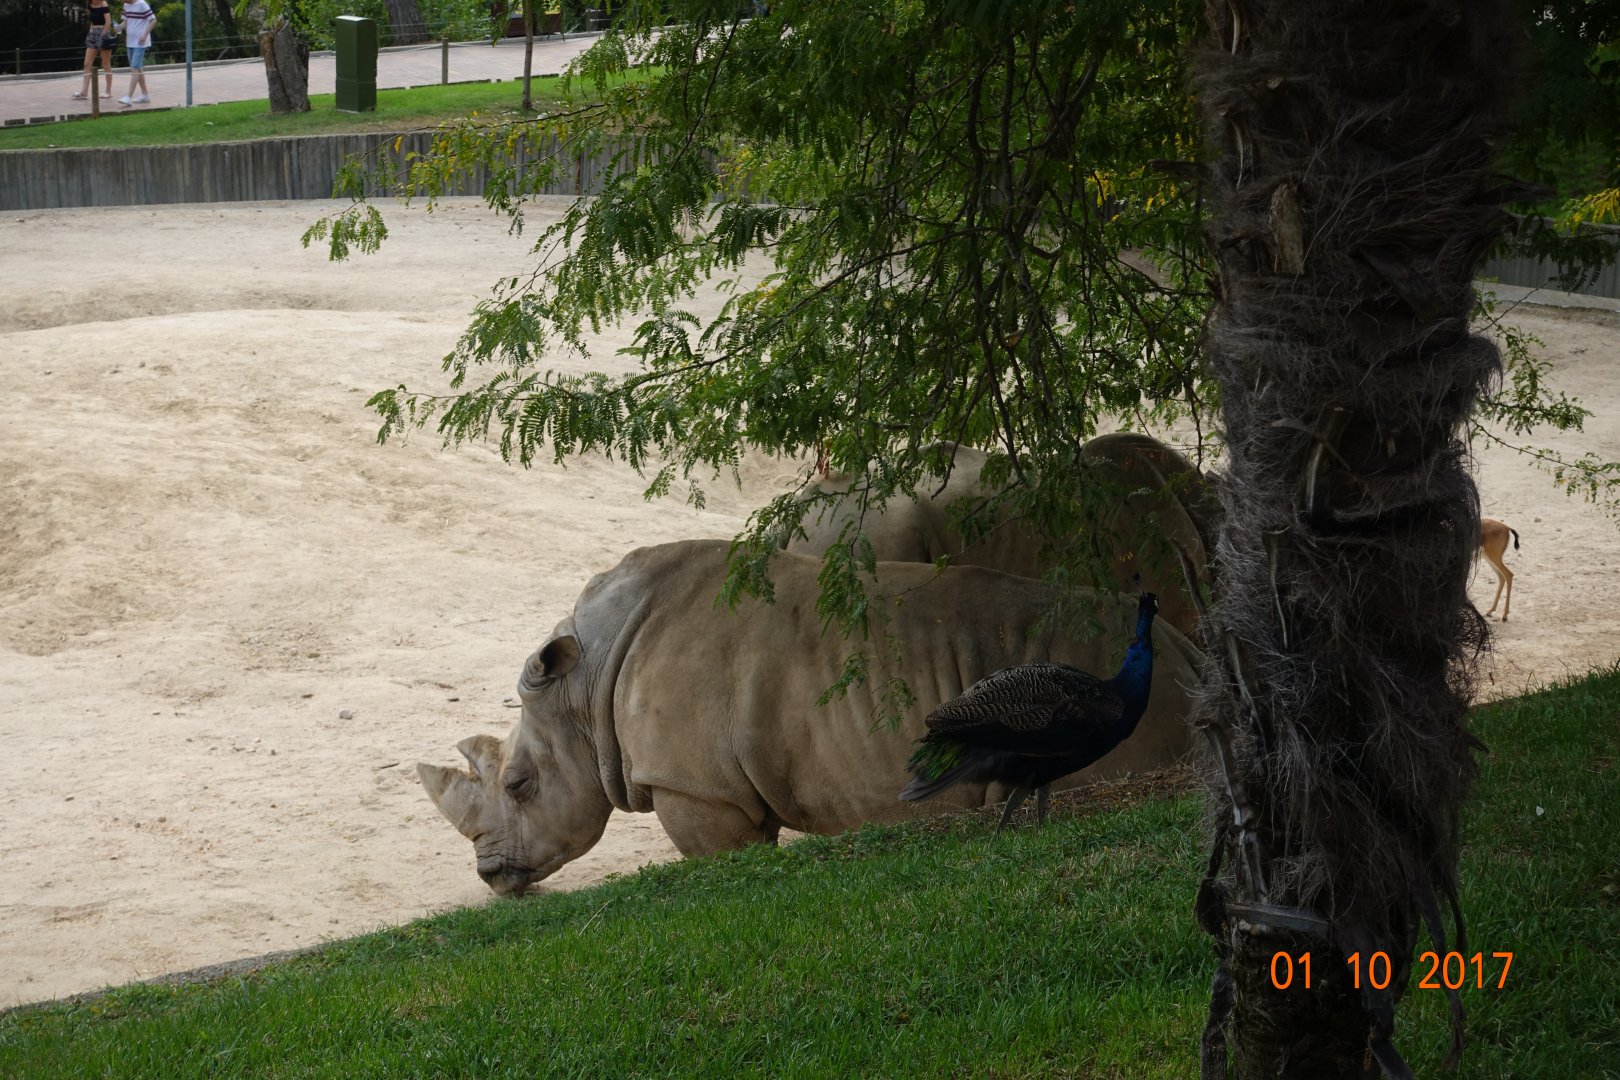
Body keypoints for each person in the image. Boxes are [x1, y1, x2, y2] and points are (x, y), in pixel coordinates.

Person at [71, 0, 116, 101]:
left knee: (105, 63)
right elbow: (92, 21)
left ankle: (108, 91)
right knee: (87, 64)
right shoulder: (90, 4)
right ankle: (84, 92)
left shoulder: (103, 4)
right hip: (92, 34)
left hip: (103, 33)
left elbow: (108, 22)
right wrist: (91, 33)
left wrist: (102, 36)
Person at [117, 0, 155, 107]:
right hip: (130, 41)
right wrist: (119, 27)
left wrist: (144, 35)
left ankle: (128, 97)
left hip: (140, 42)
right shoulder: (126, 5)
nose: (122, 1)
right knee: (138, 68)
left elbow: (153, 20)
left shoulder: (142, 4)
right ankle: (145, 95)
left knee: (134, 68)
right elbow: (126, 22)